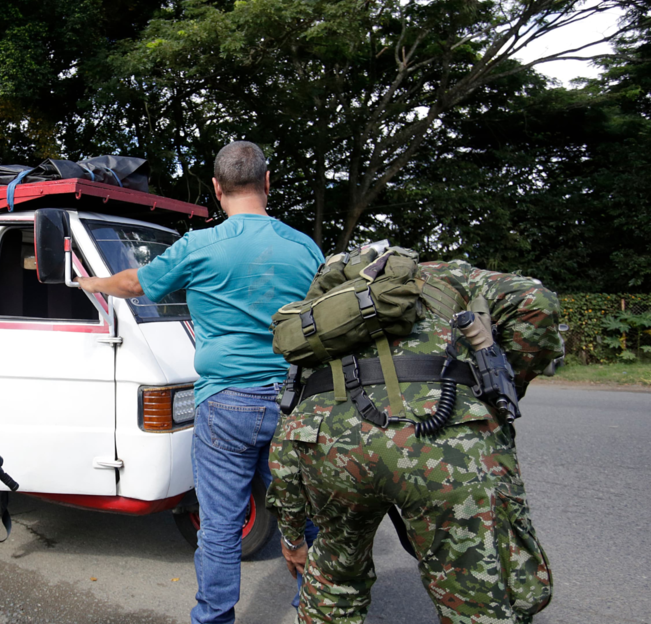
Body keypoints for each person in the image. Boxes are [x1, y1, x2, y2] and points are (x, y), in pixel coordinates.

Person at [78, 141, 322, 624]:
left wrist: (88, 283)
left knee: (220, 525)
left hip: (225, 403)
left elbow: (135, 283)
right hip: (294, 404)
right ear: (267, 183)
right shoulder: (305, 248)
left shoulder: (199, 245)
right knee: (303, 513)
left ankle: (214, 617)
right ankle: (314, 607)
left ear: (216, 188)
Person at [269, 258, 560, 623]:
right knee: (473, 593)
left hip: (331, 448)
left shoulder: (324, 307)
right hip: (446, 444)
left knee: (334, 577)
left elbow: (290, 425)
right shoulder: (445, 274)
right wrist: (503, 384)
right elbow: (536, 301)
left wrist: (293, 534)